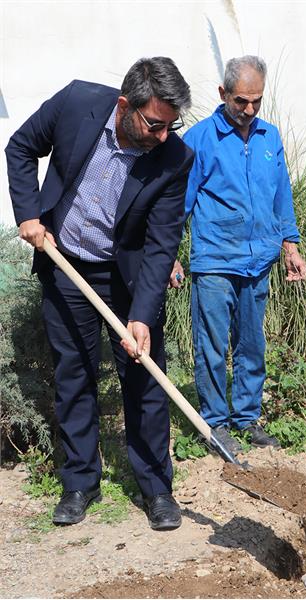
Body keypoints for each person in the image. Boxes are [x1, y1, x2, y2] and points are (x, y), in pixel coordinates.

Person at [5, 57, 193, 529]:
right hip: (65, 263)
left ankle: (156, 488)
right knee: (75, 372)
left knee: (145, 375)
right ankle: (79, 482)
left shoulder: (174, 158)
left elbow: (160, 243)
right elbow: (21, 146)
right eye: (155, 123)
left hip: (126, 278)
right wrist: (28, 213)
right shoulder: (76, 103)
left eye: (173, 125)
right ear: (125, 105)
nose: (163, 135)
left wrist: (143, 316)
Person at [181, 55, 306, 455]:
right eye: (241, 101)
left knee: (252, 344)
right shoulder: (199, 140)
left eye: (256, 101)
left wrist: (290, 243)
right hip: (215, 259)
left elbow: (280, 193)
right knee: (213, 345)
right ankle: (216, 424)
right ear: (223, 94)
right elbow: (177, 203)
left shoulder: (270, 137)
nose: (249, 110)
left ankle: (247, 417)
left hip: (259, 260)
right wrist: (167, 253)